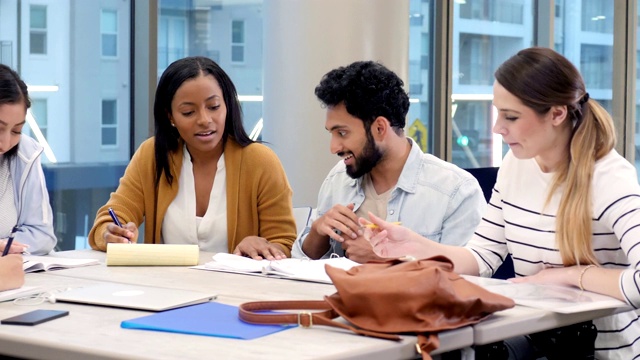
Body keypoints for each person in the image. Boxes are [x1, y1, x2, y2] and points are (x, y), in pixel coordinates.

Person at [364, 47, 640, 359]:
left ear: (557, 114)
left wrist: (570, 276)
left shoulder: (609, 179)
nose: (497, 128)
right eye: (498, 113)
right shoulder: (515, 166)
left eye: (511, 116)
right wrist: (414, 245)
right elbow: (482, 257)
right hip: (540, 344)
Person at [88, 56, 296, 260]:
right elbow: (111, 217)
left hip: (239, 291)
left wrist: (262, 246)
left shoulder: (260, 161)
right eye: (188, 112)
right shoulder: (152, 156)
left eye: (214, 107)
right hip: (166, 290)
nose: (205, 120)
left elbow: (285, 243)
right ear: (170, 116)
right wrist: (111, 233)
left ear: (227, 106)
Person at [292, 61, 486, 263]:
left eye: (342, 133)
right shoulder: (338, 178)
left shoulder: (455, 191)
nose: (334, 147)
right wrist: (318, 232)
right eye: (332, 134)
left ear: (380, 128)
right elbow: (298, 261)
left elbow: (466, 277)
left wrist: (385, 260)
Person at [0, 64, 56, 256]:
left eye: (16, 131)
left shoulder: (25, 153)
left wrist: (4, 248)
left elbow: (42, 234)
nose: (6, 143)